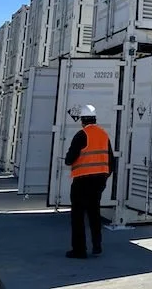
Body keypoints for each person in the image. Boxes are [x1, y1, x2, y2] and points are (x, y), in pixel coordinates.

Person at [64, 104, 115, 259]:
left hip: (82, 180)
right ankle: (97, 246)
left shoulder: (81, 135)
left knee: (78, 215)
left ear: (82, 120)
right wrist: (105, 176)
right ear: (94, 119)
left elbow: (69, 159)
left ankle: (79, 250)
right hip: (99, 180)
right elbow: (111, 160)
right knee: (94, 213)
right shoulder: (104, 135)